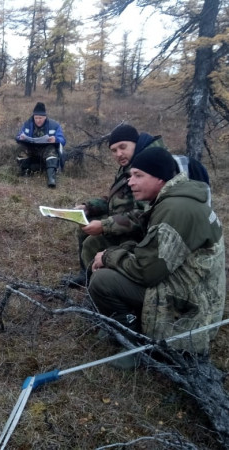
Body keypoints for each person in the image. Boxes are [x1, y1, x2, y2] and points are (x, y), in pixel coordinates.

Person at [89, 147, 225, 367]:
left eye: (138, 176)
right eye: (131, 175)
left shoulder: (175, 209)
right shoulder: (179, 199)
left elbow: (147, 272)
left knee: (102, 281)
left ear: (161, 178)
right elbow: (154, 249)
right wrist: (119, 252)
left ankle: (135, 343)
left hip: (190, 308)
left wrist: (108, 257)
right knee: (117, 258)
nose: (131, 182)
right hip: (195, 291)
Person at [63, 124, 167, 288]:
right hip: (125, 223)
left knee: (93, 242)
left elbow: (144, 215)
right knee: (86, 222)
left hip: (144, 233)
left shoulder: (147, 167)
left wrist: (105, 226)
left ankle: (97, 289)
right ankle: (86, 274)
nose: (119, 154)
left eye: (122, 147)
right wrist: (88, 207)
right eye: (114, 150)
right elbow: (116, 199)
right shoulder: (129, 165)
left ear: (135, 143)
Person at [15, 102, 66, 188]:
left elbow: (63, 140)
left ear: (45, 117)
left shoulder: (55, 125)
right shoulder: (27, 124)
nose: (38, 120)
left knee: (51, 150)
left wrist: (56, 139)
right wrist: (20, 137)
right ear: (33, 117)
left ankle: (51, 179)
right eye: (36, 118)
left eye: (40, 118)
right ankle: (24, 172)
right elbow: (18, 136)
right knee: (21, 149)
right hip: (31, 148)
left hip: (46, 150)